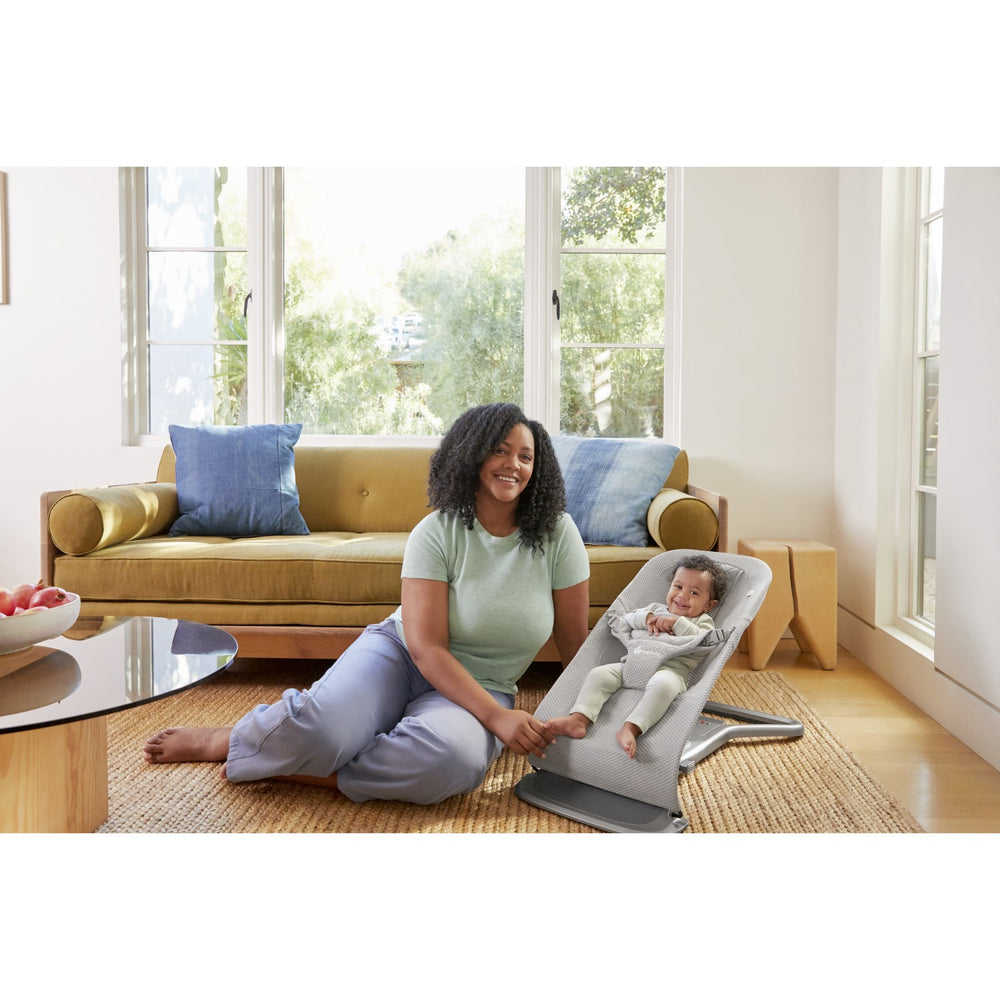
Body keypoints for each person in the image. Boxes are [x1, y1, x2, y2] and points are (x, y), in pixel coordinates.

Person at [142, 403, 591, 805]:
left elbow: (575, 642)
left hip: (485, 681)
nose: (514, 464)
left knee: (452, 762)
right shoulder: (436, 531)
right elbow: (427, 648)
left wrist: (588, 712)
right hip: (401, 656)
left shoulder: (559, 534)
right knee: (322, 727)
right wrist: (497, 719)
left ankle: (304, 768)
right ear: (472, 455)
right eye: (500, 451)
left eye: (526, 456)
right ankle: (233, 739)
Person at [546, 554, 726, 759]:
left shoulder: (702, 622)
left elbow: (703, 641)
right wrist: (646, 618)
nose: (682, 596)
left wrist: (677, 623)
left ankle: (631, 728)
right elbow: (627, 620)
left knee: (664, 686)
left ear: (709, 605)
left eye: (693, 592)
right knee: (599, 675)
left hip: (669, 671)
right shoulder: (654, 609)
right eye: (678, 587)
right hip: (631, 665)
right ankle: (579, 719)